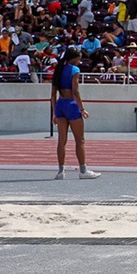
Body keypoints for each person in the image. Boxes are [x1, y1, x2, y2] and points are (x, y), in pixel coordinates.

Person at [51, 47, 101, 180]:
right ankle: (83, 170)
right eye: (79, 58)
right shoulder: (75, 70)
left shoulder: (58, 69)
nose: (80, 61)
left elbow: (52, 94)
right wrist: (82, 108)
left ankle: (61, 171)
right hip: (71, 105)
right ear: (74, 58)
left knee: (62, 140)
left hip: (60, 105)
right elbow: (75, 92)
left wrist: (55, 112)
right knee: (80, 140)